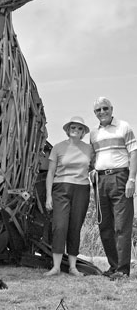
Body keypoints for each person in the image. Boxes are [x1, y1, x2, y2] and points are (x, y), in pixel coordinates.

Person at [90, 97, 137, 279]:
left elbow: (133, 154)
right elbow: (93, 157)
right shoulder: (93, 134)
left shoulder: (124, 127)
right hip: (100, 180)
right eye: (98, 110)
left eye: (105, 108)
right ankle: (113, 266)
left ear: (111, 108)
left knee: (121, 225)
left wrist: (131, 179)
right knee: (105, 225)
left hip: (120, 177)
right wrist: (92, 171)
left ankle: (123, 270)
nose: (102, 112)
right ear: (95, 113)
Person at [45, 116, 92, 277]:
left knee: (75, 227)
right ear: (68, 129)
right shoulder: (58, 147)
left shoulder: (89, 149)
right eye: (73, 127)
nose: (76, 130)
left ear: (83, 132)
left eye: (80, 128)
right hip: (61, 188)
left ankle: (73, 267)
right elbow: (50, 173)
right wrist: (48, 197)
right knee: (59, 226)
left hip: (82, 189)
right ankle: (56, 267)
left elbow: (94, 167)